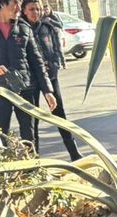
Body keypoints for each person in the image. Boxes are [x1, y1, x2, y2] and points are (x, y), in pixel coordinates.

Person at [0, 0, 57, 150]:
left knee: (29, 135)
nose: (19, 8)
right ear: (2, 4)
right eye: (15, 3)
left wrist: (48, 91)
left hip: (24, 89)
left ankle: (32, 164)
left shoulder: (24, 28)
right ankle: (5, 163)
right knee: (1, 134)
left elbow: (37, 62)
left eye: (20, 3)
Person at [23, 0, 81, 159]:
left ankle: (74, 153)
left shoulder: (47, 27)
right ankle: (34, 159)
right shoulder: (20, 29)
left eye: (38, 9)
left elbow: (56, 50)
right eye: (31, 9)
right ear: (24, 11)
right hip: (31, 81)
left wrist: (53, 64)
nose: (35, 12)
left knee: (60, 114)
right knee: (32, 120)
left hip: (50, 78)